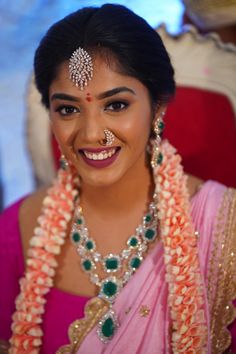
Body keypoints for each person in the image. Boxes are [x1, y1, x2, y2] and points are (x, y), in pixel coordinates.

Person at [0, 4, 235, 353]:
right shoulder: (17, 229)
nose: (92, 134)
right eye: (68, 109)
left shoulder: (226, 228)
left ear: (157, 106)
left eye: (116, 105)